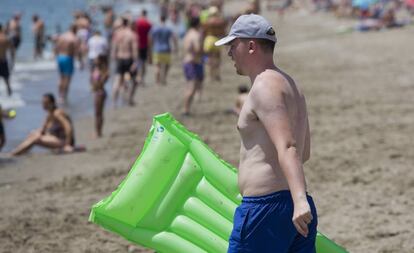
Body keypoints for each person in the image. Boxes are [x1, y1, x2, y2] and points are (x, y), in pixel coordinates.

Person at [215, 14, 317, 252]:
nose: (229, 52)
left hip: (265, 211)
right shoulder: (291, 85)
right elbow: (305, 152)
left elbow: (289, 146)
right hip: (292, 206)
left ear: (251, 46)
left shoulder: (263, 86)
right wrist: (299, 199)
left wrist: (299, 200)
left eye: (233, 44)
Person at [11, 93, 80, 156]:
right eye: (43, 103)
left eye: (46, 103)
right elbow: (42, 130)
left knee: (36, 139)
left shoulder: (57, 113)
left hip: (64, 141)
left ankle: (14, 153)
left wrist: (67, 145)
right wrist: (36, 133)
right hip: (56, 138)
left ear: (52, 103)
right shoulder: (49, 115)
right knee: (33, 134)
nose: (43, 105)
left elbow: (68, 127)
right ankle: (19, 151)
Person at [111, 17, 139, 107]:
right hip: (129, 59)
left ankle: (114, 102)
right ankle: (130, 99)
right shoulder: (132, 34)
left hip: (119, 59)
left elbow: (113, 49)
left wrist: (114, 58)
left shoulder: (117, 34)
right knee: (134, 81)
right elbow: (135, 49)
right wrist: (135, 62)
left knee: (117, 81)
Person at [182, 17, 204, 116]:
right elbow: (197, 49)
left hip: (187, 61)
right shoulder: (196, 35)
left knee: (190, 87)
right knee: (192, 88)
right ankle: (185, 110)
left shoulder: (187, 34)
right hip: (193, 63)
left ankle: (187, 109)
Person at [54, 24, 81, 104]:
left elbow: (56, 48)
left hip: (60, 57)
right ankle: (64, 96)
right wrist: (80, 61)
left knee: (61, 78)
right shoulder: (74, 38)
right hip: (68, 58)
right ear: (75, 30)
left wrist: (56, 57)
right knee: (67, 79)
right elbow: (77, 51)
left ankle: (59, 95)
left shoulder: (62, 36)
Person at [149, 15, 177, 85]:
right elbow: (174, 37)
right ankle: (164, 78)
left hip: (157, 49)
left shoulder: (155, 28)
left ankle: (157, 81)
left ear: (159, 19)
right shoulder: (168, 28)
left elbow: (150, 37)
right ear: (165, 19)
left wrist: (150, 47)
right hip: (166, 48)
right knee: (167, 65)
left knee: (157, 66)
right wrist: (176, 47)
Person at [203, 6, 226, 82]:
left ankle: (210, 76)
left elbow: (204, 32)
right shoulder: (220, 21)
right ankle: (217, 75)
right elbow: (223, 32)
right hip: (216, 39)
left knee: (209, 59)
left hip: (209, 39)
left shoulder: (207, 22)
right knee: (217, 58)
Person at [90, 54, 109, 138]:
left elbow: (101, 83)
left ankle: (98, 132)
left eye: (96, 59)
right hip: (97, 92)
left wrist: (94, 84)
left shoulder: (104, 71)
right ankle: (98, 131)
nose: (94, 60)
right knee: (98, 113)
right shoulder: (96, 69)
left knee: (98, 114)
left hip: (100, 92)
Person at [135, 9, 152, 85]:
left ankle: (137, 77)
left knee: (137, 62)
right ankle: (142, 79)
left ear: (141, 14)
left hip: (136, 45)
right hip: (145, 45)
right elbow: (150, 36)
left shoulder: (136, 22)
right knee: (143, 63)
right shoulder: (148, 23)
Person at [0, 24, 12, 96]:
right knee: (6, 78)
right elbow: (11, 49)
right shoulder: (5, 38)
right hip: (3, 60)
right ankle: (9, 90)